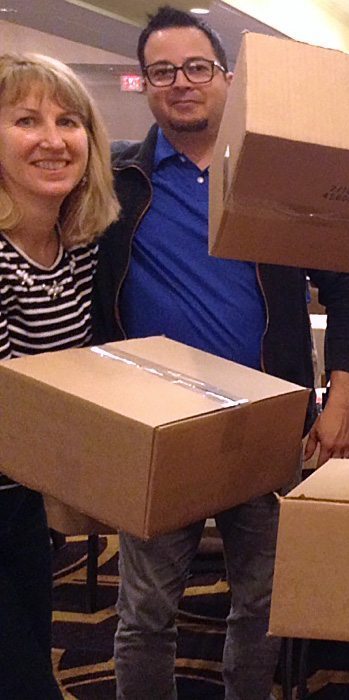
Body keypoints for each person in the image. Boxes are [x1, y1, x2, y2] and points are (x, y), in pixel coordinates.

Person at [91, 7, 349, 699]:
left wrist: (342, 400)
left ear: (226, 77)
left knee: (265, 602)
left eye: (196, 68)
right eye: (162, 72)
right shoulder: (117, 182)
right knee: (145, 614)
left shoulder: (274, 178)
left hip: (268, 425)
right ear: (145, 84)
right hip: (155, 425)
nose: (180, 83)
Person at [0, 52, 120, 699]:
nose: (52, 139)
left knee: (32, 646)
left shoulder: (75, 247)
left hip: (21, 495)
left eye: (68, 121)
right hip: (15, 472)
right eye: (26, 120)